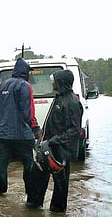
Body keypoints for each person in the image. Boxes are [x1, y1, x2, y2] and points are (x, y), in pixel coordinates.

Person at [27, 69, 83, 212]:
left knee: (60, 187)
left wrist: (53, 141)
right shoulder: (59, 97)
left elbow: (74, 130)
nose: (52, 83)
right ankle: (33, 207)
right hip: (47, 149)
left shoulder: (72, 102)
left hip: (61, 151)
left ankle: (57, 211)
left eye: (55, 81)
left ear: (61, 83)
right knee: (36, 178)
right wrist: (43, 140)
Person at [0, 58, 42, 196]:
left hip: (2, 134)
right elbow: (28, 111)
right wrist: (36, 128)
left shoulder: (0, 86)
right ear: (25, 72)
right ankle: (31, 195)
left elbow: (0, 110)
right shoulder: (25, 86)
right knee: (29, 165)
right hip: (23, 135)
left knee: (1, 164)